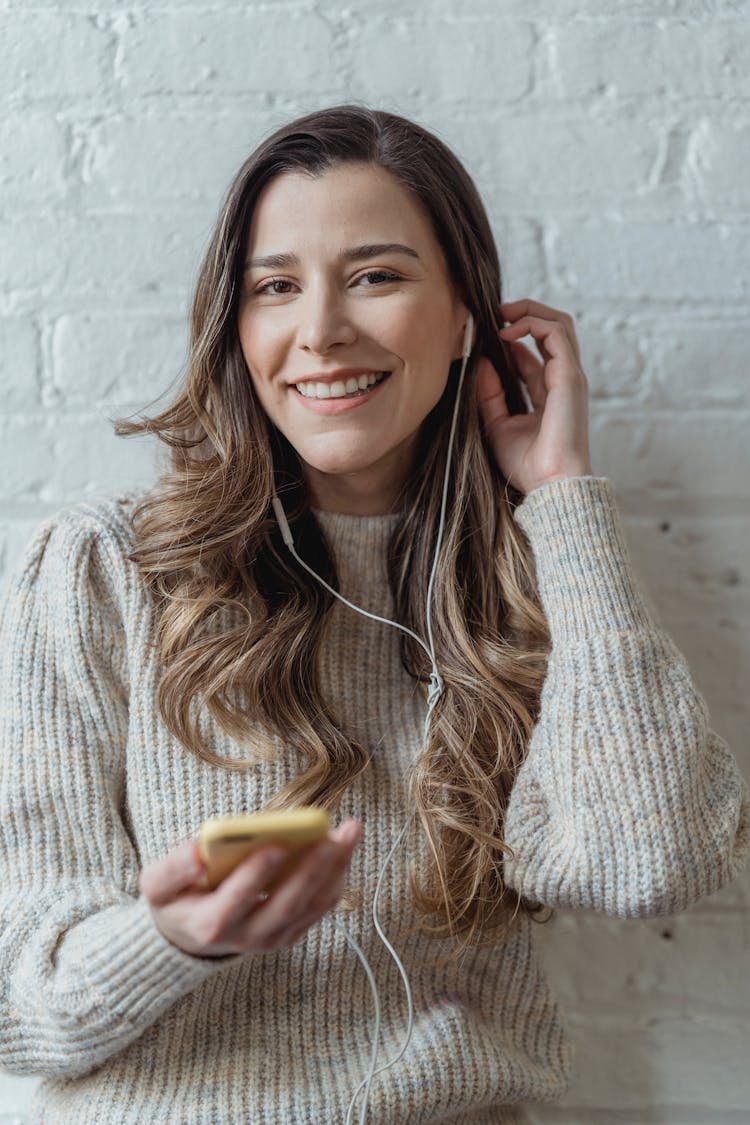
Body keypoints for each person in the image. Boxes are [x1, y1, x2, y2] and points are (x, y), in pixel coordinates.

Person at [0, 105, 747, 1125]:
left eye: (376, 276)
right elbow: (21, 1008)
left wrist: (564, 494)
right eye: (275, 288)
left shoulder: (534, 580)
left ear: (463, 324)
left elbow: (648, 865)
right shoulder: (107, 568)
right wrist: (174, 939)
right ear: (239, 328)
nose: (319, 331)